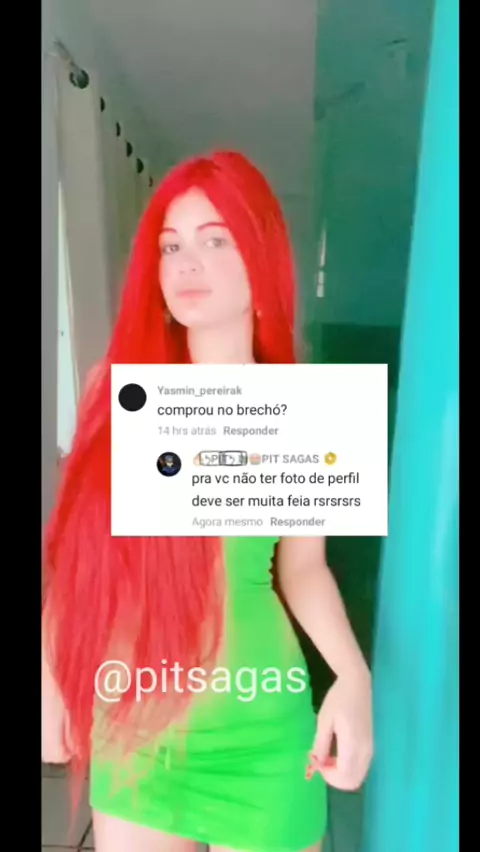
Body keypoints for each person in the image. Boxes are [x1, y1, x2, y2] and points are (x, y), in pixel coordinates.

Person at [42, 150, 373, 852]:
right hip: (136, 724)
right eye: (171, 246)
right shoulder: (117, 388)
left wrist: (353, 676)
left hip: (262, 730)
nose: (187, 263)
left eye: (216, 240)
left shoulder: (303, 405)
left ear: (261, 259)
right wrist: (48, 676)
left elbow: (303, 568)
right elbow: (76, 557)